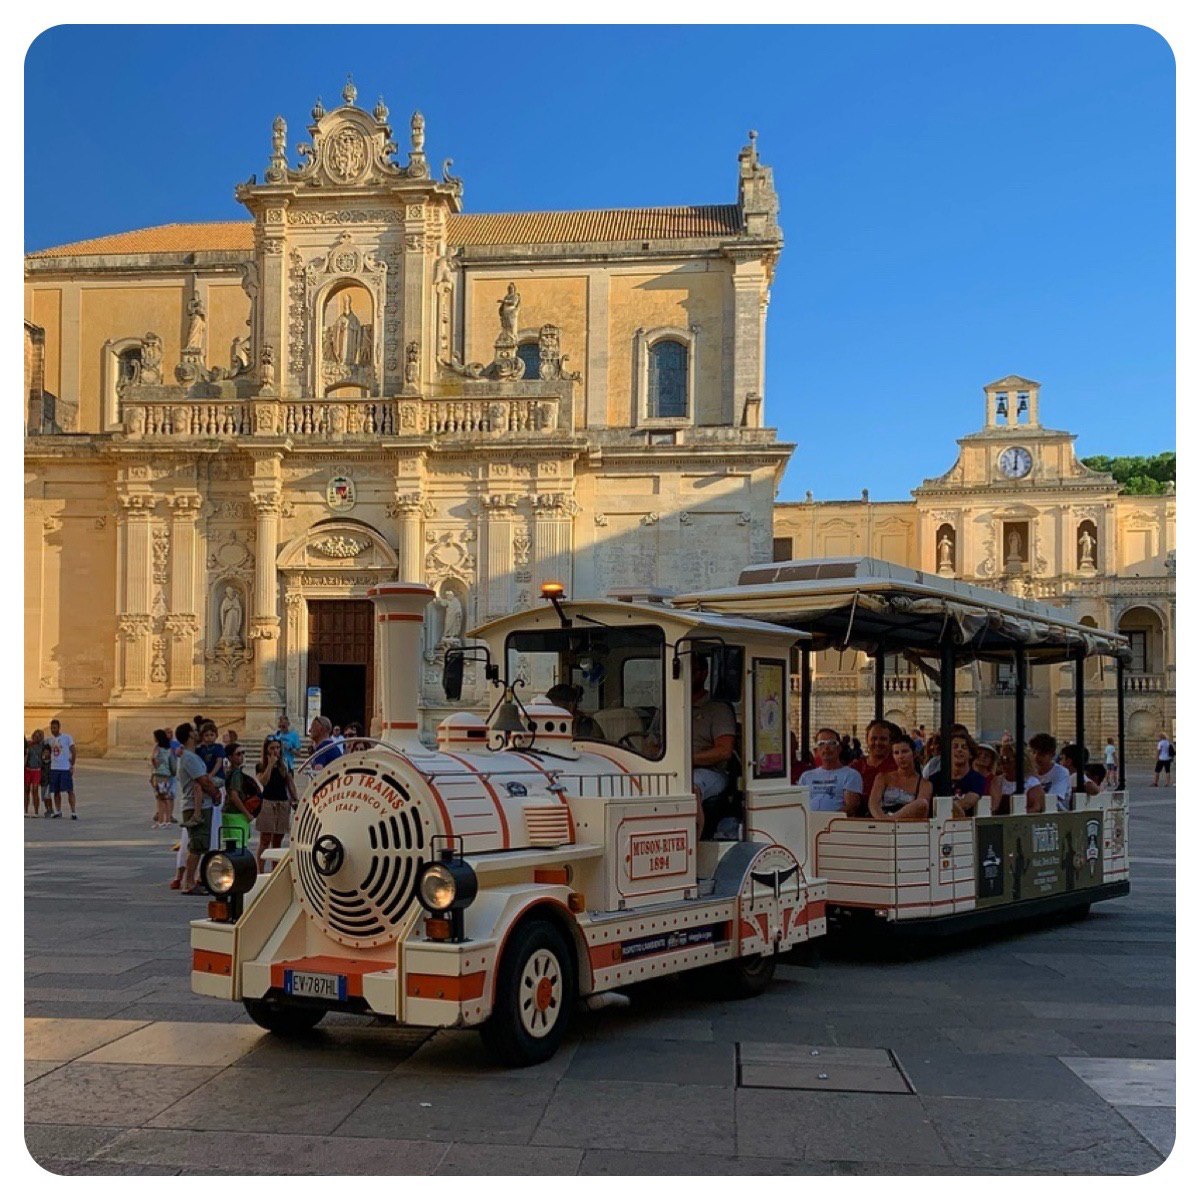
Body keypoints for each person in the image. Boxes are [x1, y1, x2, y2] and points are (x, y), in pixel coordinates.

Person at [689, 655, 736, 836]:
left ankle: (695, 840)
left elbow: (724, 751)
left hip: (711, 772)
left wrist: (688, 760)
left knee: (690, 788)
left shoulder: (717, 708)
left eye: (691, 671)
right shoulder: (668, 706)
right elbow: (650, 744)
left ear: (704, 673)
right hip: (668, 768)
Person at [176, 722, 221, 895]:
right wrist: (215, 793)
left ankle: (193, 879)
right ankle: (188, 882)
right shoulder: (189, 757)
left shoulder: (192, 755)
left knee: (200, 844)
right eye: (194, 731)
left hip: (202, 804)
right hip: (197, 805)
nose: (197, 732)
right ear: (189, 735)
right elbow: (202, 780)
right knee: (197, 845)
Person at [255, 738, 299, 872]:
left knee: (278, 840)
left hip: (282, 802)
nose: (275, 751)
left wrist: (295, 799)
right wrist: (270, 765)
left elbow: (290, 783)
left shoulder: (285, 764)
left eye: (277, 748)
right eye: (272, 748)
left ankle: (275, 870)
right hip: (268, 802)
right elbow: (264, 781)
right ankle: (260, 870)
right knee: (265, 839)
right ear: (267, 750)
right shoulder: (261, 765)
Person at [868, 733, 933, 820]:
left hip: (908, 825)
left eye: (905, 752)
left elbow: (922, 807)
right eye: (896, 753)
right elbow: (873, 804)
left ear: (914, 754)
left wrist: (891, 820)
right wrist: (882, 820)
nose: (900, 756)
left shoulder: (924, 784)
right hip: (883, 822)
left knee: (922, 803)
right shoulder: (883, 778)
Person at [800, 728, 863, 813]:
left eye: (832, 743)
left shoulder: (851, 775)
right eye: (821, 744)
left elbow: (850, 808)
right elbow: (799, 804)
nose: (826, 748)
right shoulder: (806, 776)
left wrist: (827, 820)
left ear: (839, 748)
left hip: (835, 824)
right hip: (808, 823)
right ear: (817, 750)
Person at [849, 719, 897, 817]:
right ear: (867, 740)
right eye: (873, 738)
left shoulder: (897, 766)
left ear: (890, 742)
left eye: (883, 739)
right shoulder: (855, 768)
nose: (878, 743)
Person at [221, 743, 259, 849]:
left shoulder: (229, 772)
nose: (241, 756)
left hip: (228, 812)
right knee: (239, 847)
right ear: (230, 757)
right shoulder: (236, 774)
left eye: (243, 753)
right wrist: (247, 814)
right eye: (238, 754)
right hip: (236, 814)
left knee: (230, 845)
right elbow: (234, 796)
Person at [1026, 733, 1072, 812]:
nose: (1036, 757)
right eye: (1033, 752)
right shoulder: (1027, 773)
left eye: (1042, 754)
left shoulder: (1061, 772)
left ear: (1052, 755)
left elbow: (1052, 800)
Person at [946, 731, 987, 814]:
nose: (959, 750)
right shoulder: (935, 778)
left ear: (970, 754)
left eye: (964, 747)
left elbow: (968, 801)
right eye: (955, 747)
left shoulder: (977, 779)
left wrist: (948, 809)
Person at [47, 718, 77, 819]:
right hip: (54, 768)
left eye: (54, 728)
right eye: (51, 728)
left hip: (65, 768)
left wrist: (72, 765)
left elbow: (73, 751)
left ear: (59, 728)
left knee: (69, 790)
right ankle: (58, 811)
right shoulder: (50, 740)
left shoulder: (67, 738)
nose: (53, 730)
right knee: (56, 792)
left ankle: (73, 812)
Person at [150, 729, 176, 828]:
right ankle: (162, 820)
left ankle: (165, 820)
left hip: (160, 775)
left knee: (163, 798)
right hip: (166, 775)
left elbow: (154, 760)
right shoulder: (169, 749)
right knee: (162, 798)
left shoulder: (158, 749)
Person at [24, 730, 45, 817]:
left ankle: (36, 811)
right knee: (26, 790)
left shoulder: (42, 746)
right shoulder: (28, 745)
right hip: (28, 770)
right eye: (35, 736)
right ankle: (25, 810)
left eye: (38, 736)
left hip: (37, 770)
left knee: (35, 790)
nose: (36, 738)